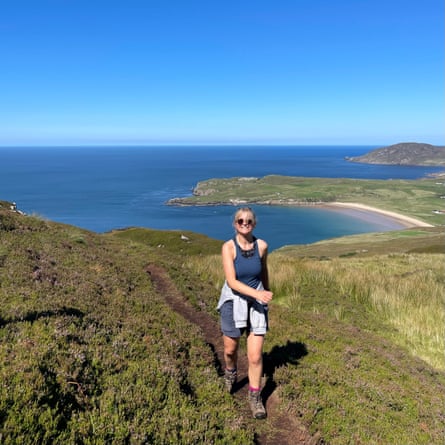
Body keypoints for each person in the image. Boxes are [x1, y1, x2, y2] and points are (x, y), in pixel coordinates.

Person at [217, 207, 273, 419]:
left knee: (255, 356)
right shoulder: (228, 248)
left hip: (257, 301)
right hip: (234, 300)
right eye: (240, 221)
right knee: (230, 350)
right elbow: (231, 281)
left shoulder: (262, 246)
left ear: (254, 224)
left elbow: (263, 270)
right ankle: (230, 372)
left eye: (248, 221)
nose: (244, 224)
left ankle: (254, 396)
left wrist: (265, 292)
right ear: (235, 224)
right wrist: (259, 295)